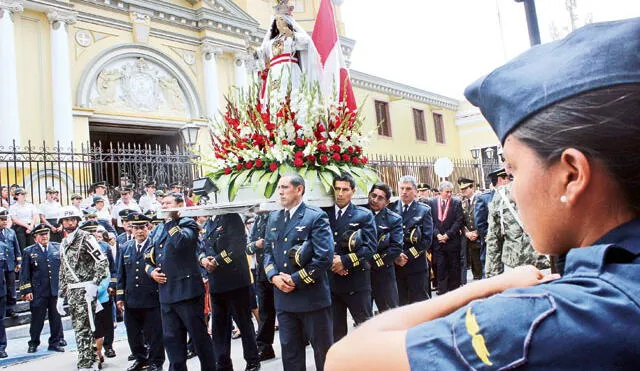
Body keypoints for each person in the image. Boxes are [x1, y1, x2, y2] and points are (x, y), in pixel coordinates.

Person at [325, 17, 640, 370]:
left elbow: (345, 358)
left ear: (571, 175)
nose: (512, 191)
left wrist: (489, 287)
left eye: (515, 169)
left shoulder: (549, 319)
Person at [263, 174, 334, 371]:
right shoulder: (274, 217)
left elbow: (324, 258)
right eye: (279, 188)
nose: (280, 192)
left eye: (285, 187)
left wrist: (295, 279)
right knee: (291, 354)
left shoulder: (315, 216)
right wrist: (273, 277)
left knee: (323, 353)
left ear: (299, 189)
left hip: (311, 298)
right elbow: (268, 252)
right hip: (285, 300)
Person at [145, 192, 215, 371]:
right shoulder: (158, 229)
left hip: (187, 292)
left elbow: (181, 242)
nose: (164, 206)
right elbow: (147, 257)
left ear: (179, 205)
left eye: (168, 203)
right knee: (172, 341)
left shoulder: (188, 224)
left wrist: (170, 221)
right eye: (163, 203)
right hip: (166, 293)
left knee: (199, 338)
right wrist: (152, 272)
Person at [199, 212, 261, 371]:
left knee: (244, 323)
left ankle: (253, 360)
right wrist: (203, 260)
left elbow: (237, 247)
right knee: (219, 327)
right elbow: (203, 247)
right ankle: (223, 363)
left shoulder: (231, 218)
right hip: (217, 283)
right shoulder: (208, 223)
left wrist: (217, 261)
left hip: (235, 281)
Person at [321, 173, 376, 342]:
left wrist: (344, 261)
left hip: (357, 282)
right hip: (332, 284)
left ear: (353, 191)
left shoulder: (363, 215)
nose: (340, 193)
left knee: (365, 330)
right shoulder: (323, 214)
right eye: (337, 189)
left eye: (345, 189)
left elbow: (370, 247)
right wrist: (332, 262)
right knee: (335, 334)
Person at [56, 205, 110, 371]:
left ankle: (86, 363)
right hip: (72, 292)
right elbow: (63, 271)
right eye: (66, 219)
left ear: (78, 221)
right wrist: (60, 295)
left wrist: (95, 283)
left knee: (85, 328)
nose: (70, 222)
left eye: (73, 219)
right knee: (80, 328)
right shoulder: (64, 242)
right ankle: (91, 359)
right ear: (61, 222)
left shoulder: (86, 237)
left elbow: (102, 261)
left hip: (86, 290)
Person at [117, 212, 165, 371]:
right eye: (135, 228)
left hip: (151, 297)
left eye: (142, 227)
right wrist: (120, 296)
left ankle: (156, 362)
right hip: (131, 299)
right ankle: (141, 358)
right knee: (133, 334)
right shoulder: (125, 247)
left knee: (154, 334)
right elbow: (120, 273)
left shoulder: (155, 245)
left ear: (148, 227)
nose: (139, 231)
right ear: (131, 229)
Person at [256, 3, 317, 112]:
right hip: (274, 72)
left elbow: (307, 42)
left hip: (290, 69)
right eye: (277, 20)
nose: (279, 22)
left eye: (281, 19)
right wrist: (254, 52)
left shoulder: (292, 37)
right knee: (275, 98)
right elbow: (262, 52)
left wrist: (292, 35)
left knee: (292, 95)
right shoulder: (271, 41)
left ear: (288, 21)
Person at [485, 178, 548, 277]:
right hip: (518, 268)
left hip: (543, 266)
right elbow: (494, 239)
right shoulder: (501, 195)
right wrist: (493, 275)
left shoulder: (548, 187)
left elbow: (494, 240)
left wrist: (493, 276)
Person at [19, 224, 65, 353]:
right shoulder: (29, 251)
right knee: (37, 320)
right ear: (35, 238)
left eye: (46, 234)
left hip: (55, 290)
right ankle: (33, 342)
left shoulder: (57, 247)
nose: (45, 237)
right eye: (41, 235)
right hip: (38, 291)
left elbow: (63, 269)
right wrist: (26, 290)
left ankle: (55, 342)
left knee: (56, 318)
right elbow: (24, 273)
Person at [390, 175, 433, 305]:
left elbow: (426, 240)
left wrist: (406, 256)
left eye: (408, 188)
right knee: (400, 303)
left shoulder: (424, 210)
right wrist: (396, 256)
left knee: (419, 303)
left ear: (415, 191)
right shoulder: (391, 209)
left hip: (416, 265)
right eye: (401, 188)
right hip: (396, 265)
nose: (404, 192)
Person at [79, 220, 116, 368]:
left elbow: (109, 270)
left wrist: (105, 287)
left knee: (103, 325)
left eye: (94, 231)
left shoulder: (103, 247)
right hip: (84, 295)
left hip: (101, 294)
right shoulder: (78, 249)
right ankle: (91, 354)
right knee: (88, 327)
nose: (93, 234)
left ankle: (103, 350)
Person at [366, 183, 403, 313]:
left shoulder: (393, 219)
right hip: (362, 272)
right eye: (373, 195)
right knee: (363, 316)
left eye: (380, 198)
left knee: (389, 312)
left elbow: (396, 247)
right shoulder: (360, 214)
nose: (375, 200)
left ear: (387, 202)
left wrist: (373, 262)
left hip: (383, 272)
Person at [246, 211, 276, 361]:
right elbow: (248, 247)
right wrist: (257, 244)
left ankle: (302, 338)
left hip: (277, 270)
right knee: (265, 311)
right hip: (262, 272)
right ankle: (265, 347)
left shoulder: (276, 215)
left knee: (287, 310)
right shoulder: (257, 220)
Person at [426, 181, 463, 295]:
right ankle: (442, 290)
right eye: (447, 192)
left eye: (451, 192)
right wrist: (437, 234)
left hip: (452, 241)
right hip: (438, 242)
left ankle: (454, 290)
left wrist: (448, 235)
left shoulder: (456, 202)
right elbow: (430, 221)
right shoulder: (432, 202)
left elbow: (459, 221)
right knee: (440, 266)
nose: (449, 194)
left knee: (453, 266)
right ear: (440, 192)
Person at [473, 168, 510, 277]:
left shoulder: (511, 195)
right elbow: (480, 222)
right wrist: (490, 237)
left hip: (509, 244)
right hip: (491, 243)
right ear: (500, 180)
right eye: (507, 178)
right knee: (492, 272)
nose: (509, 181)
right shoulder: (485, 198)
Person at [459, 178, 482, 280]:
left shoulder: (480, 199)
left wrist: (477, 232)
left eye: (465, 188)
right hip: (469, 238)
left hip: (480, 236)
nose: (463, 191)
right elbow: (461, 221)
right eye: (461, 189)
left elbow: (486, 218)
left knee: (482, 263)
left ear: (472, 188)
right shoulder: (463, 203)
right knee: (474, 263)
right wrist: (467, 233)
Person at [0, 208, 21, 318]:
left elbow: (16, 247)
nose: (4, 221)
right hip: (0, 265)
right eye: (2, 219)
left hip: (9, 264)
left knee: (11, 286)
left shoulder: (11, 232)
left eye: (5, 219)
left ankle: (11, 308)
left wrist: (18, 262)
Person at [10, 187, 39, 251]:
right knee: (22, 246)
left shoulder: (30, 205)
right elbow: (14, 219)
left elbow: (34, 215)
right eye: (22, 194)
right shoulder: (13, 207)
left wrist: (31, 226)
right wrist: (27, 226)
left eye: (25, 194)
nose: (24, 196)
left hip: (30, 227)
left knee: (32, 246)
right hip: (20, 228)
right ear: (17, 196)